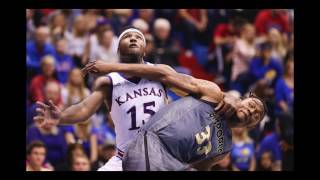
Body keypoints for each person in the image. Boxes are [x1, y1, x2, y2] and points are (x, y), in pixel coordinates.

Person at [79, 60, 266, 171]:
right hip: (153, 145)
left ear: (250, 127)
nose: (253, 111)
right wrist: (112, 67)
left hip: (171, 164)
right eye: (252, 104)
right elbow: (164, 74)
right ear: (241, 99)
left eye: (257, 115)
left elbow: (195, 168)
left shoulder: (225, 147)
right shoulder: (214, 94)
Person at [33, 27, 170, 171]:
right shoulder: (109, 81)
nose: (133, 38)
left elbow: (192, 86)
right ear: (118, 50)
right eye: (127, 36)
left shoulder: (161, 73)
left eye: (138, 37)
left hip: (159, 156)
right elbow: (84, 109)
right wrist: (61, 117)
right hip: (124, 159)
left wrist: (110, 66)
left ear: (144, 50)